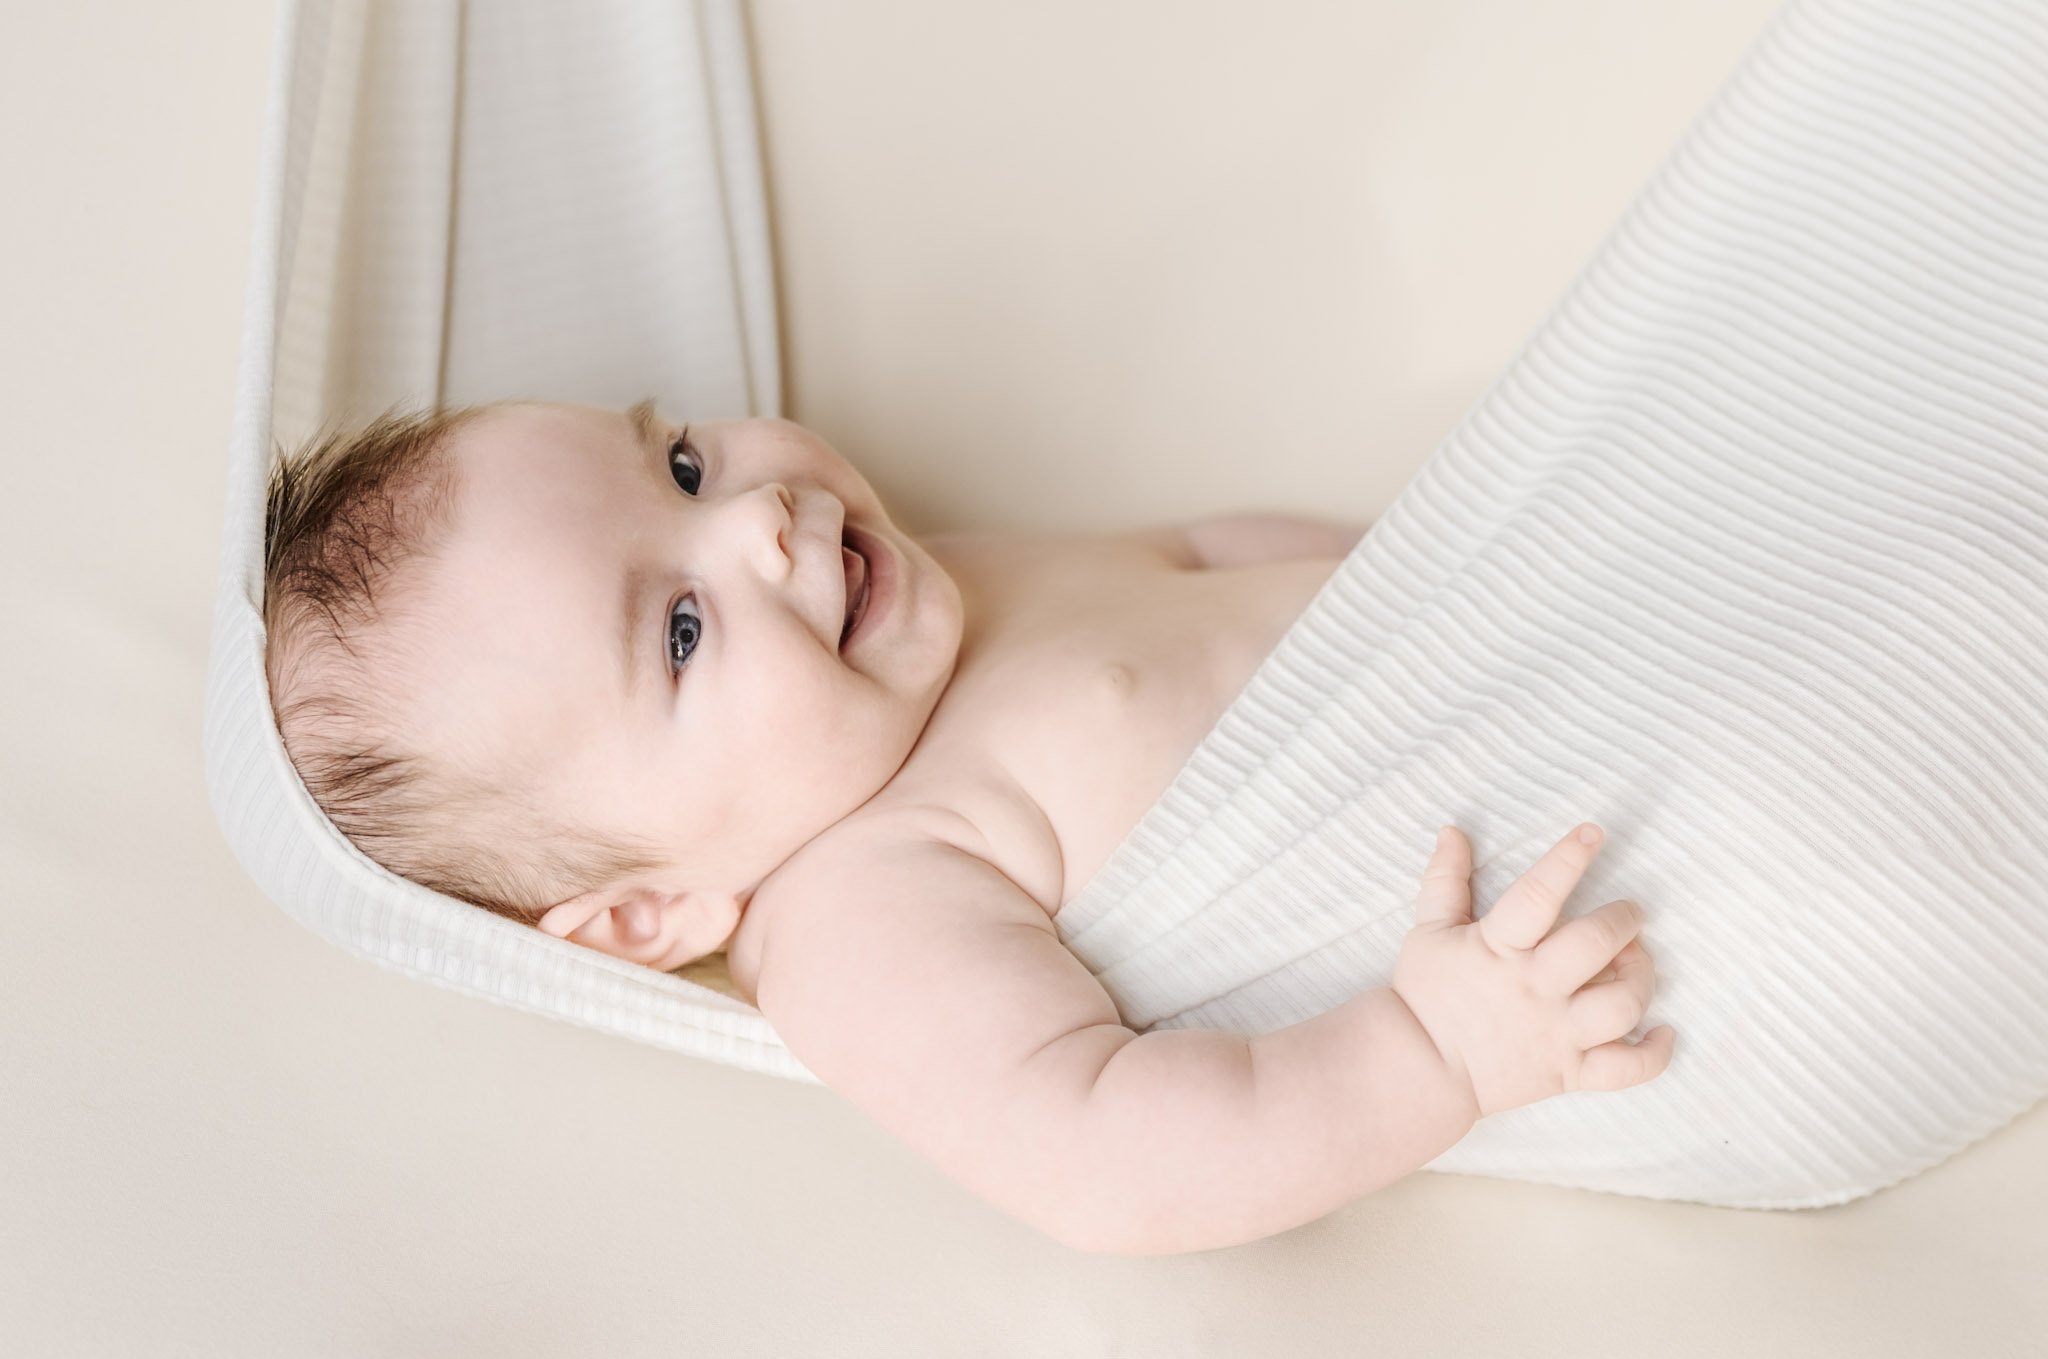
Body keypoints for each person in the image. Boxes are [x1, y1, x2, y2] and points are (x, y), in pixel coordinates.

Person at [263, 397, 1673, 1254]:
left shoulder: (930, 594)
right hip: (1599, 932)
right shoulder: (859, 911)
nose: (759, 515)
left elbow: (1192, 559)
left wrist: (1431, 557)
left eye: (681, 462)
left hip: (1564, 658)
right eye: (682, 631)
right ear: (645, 913)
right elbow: (1104, 1157)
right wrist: (1431, 1053)